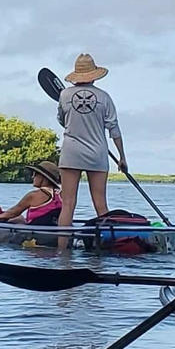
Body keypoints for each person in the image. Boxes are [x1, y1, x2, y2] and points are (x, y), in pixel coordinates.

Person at [53, 54, 127, 239]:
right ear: (94, 75)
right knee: (101, 204)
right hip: (97, 153)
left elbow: (63, 120)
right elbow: (114, 129)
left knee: (68, 203)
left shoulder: (64, 95)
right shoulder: (104, 97)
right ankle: (105, 248)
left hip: (71, 152)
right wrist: (122, 157)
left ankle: (63, 252)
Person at [0, 162, 64, 226]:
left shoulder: (33, 195)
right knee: (20, 218)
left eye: (35, 174)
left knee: (15, 218)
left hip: (35, 229)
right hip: (52, 226)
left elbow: (13, 212)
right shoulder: (61, 195)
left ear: (43, 177)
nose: (32, 177)